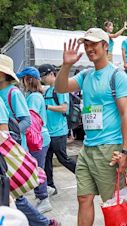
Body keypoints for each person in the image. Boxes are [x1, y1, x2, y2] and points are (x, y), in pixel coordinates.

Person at [54, 28, 127, 226]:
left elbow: (126, 114)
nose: (89, 49)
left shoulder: (117, 75)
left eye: (94, 44)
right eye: (86, 45)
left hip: (109, 149)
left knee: (112, 203)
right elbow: (61, 88)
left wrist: (125, 151)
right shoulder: (86, 75)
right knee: (83, 199)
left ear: (106, 46)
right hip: (87, 149)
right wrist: (66, 65)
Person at [0, 54, 60, 226]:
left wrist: (11, 140)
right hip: (12, 146)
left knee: (17, 192)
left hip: (12, 148)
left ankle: (44, 207)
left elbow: (26, 120)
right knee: (14, 195)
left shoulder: (14, 92)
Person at [17, 67, 53, 213]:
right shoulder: (36, 95)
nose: (21, 82)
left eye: (22, 79)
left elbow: (30, 122)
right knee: (38, 167)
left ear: (28, 79)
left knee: (36, 169)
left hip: (37, 139)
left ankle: (44, 198)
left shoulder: (33, 97)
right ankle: (45, 190)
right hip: (42, 138)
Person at [39, 64, 76, 195]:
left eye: (43, 76)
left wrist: (47, 106)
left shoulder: (61, 89)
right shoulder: (48, 90)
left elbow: (64, 108)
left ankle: (83, 174)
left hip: (59, 131)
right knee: (47, 160)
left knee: (63, 158)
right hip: (48, 132)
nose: (42, 79)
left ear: (51, 74)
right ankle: (51, 186)